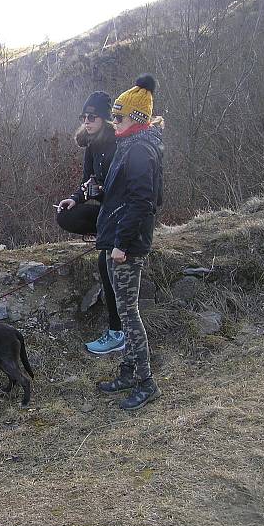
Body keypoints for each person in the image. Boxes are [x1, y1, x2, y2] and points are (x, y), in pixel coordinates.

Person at [95, 74, 164, 411]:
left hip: (128, 246)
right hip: (118, 240)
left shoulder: (139, 150)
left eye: (119, 117)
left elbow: (142, 202)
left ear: (136, 119)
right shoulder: (130, 145)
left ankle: (147, 383)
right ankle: (128, 372)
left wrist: (121, 243)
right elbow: (120, 196)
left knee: (128, 313)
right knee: (125, 312)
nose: (114, 122)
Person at [56, 91, 125, 355]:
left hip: (121, 211)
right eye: (83, 117)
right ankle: (103, 235)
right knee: (65, 215)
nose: (87, 121)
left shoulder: (119, 144)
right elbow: (87, 182)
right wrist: (75, 199)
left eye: (92, 117)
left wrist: (101, 191)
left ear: (105, 119)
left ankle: (116, 332)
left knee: (104, 262)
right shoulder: (91, 145)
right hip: (106, 210)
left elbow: (121, 188)